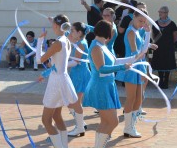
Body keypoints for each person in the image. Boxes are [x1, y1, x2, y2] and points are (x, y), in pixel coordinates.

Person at [82, 20, 134, 147]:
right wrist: (122, 67)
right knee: (112, 121)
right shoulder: (96, 47)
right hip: (100, 86)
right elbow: (102, 68)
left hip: (107, 85)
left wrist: (134, 58)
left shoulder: (103, 45)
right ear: (108, 32)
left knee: (106, 121)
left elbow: (114, 62)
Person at [37, 14, 78, 148]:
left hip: (56, 83)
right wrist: (46, 73)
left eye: (53, 24)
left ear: (56, 25)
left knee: (46, 120)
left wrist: (40, 40)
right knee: (56, 116)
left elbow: (39, 60)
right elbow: (57, 65)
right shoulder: (66, 40)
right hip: (62, 79)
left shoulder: (57, 43)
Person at [116, 9, 156, 138]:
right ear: (134, 16)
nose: (142, 24)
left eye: (144, 22)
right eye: (140, 21)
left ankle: (131, 126)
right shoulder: (131, 32)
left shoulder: (138, 31)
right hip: (132, 68)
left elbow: (142, 49)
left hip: (138, 66)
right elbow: (136, 52)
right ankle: (128, 128)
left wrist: (148, 35)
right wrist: (147, 38)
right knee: (131, 99)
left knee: (139, 100)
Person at [66, 22, 91, 137]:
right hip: (78, 74)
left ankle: (80, 127)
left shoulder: (81, 43)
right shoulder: (79, 42)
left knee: (74, 103)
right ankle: (81, 123)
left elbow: (76, 62)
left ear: (79, 33)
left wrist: (61, 64)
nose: (70, 33)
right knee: (72, 103)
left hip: (80, 74)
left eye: (72, 31)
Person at [151, 6, 177, 89]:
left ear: (166, 13)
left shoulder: (172, 24)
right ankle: (160, 81)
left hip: (168, 48)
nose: (159, 13)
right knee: (159, 64)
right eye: (159, 12)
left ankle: (166, 81)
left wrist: (170, 44)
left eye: (161, 12)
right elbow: (153, 36)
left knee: (167, 64)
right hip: (158, 48)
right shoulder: (155, 23)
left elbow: (175, 37)